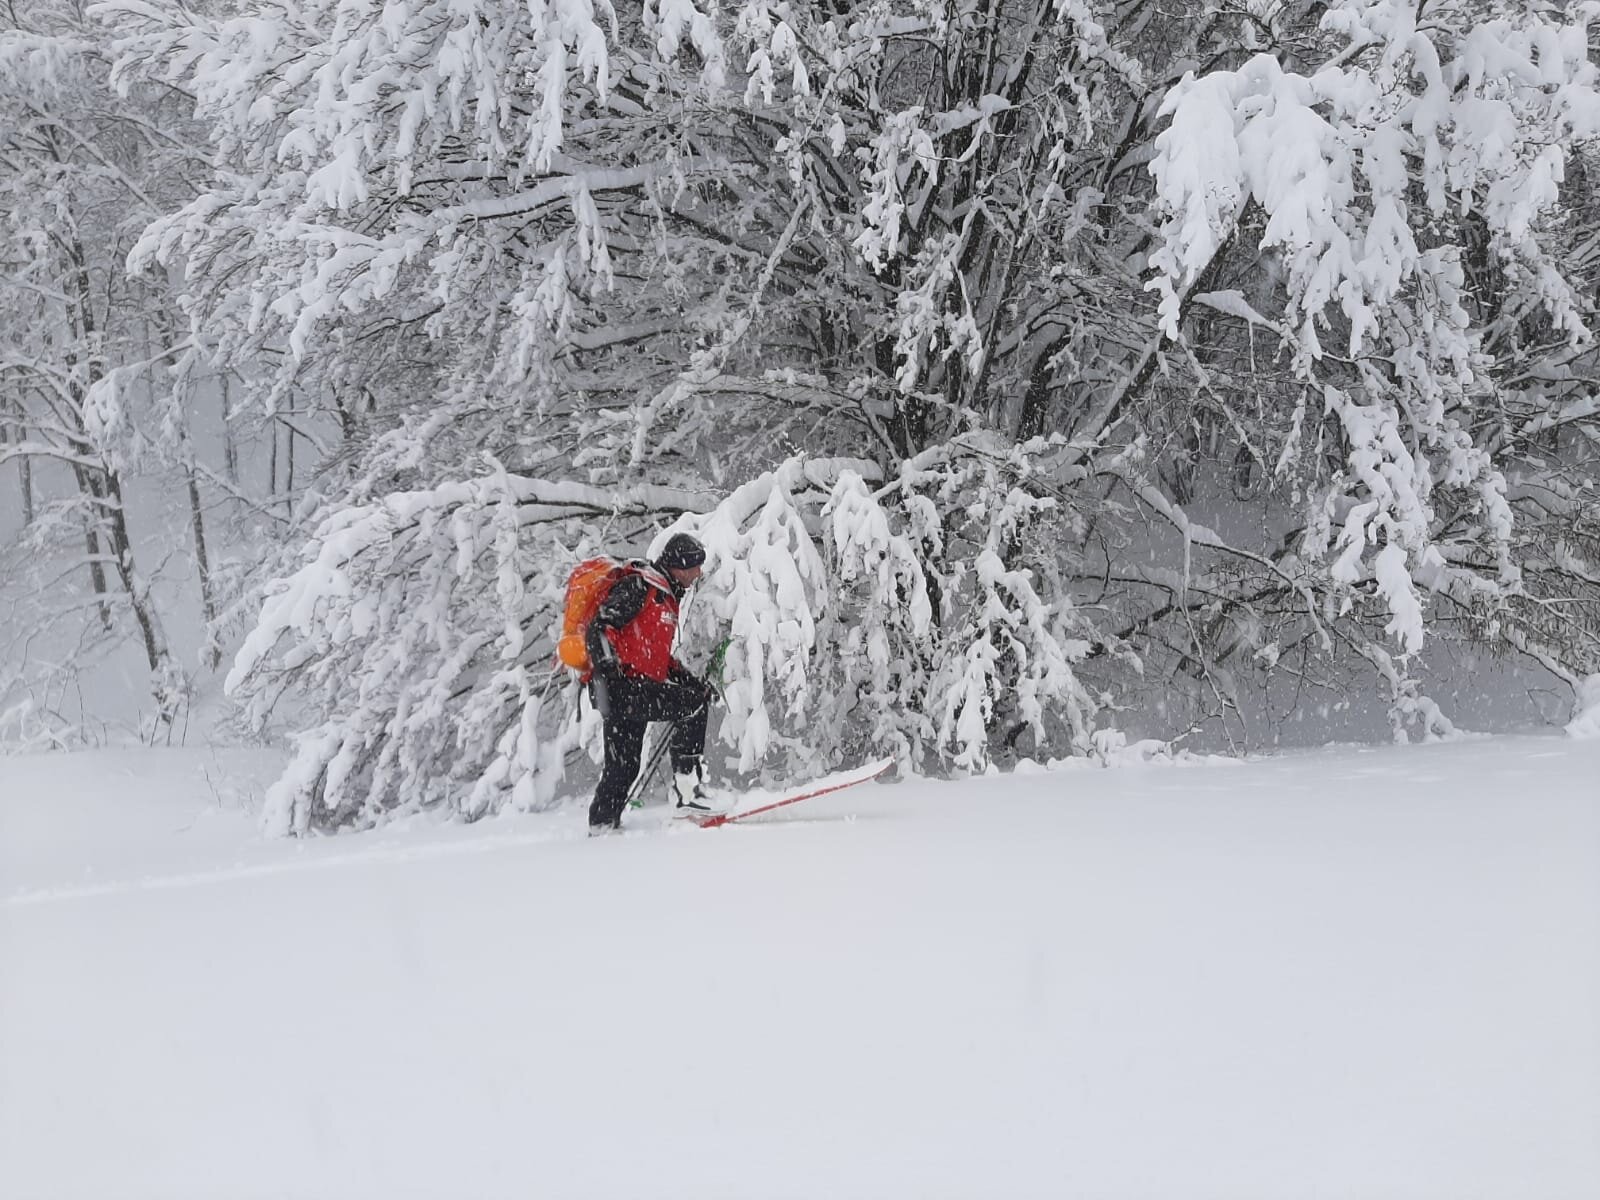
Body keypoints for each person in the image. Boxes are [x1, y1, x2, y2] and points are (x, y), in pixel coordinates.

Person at [584, 532, 720, 833]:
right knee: (692, 707)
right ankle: (688, 792)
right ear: (678, 565)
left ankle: (602, 824)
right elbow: (601, 627)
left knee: (625, 765)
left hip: (631, 689)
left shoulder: (664, 598)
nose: (698, 573)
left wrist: (691, 681)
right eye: (695, 566)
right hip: (622, 687)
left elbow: (660, 659)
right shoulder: (640, 585)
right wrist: (610, 670)